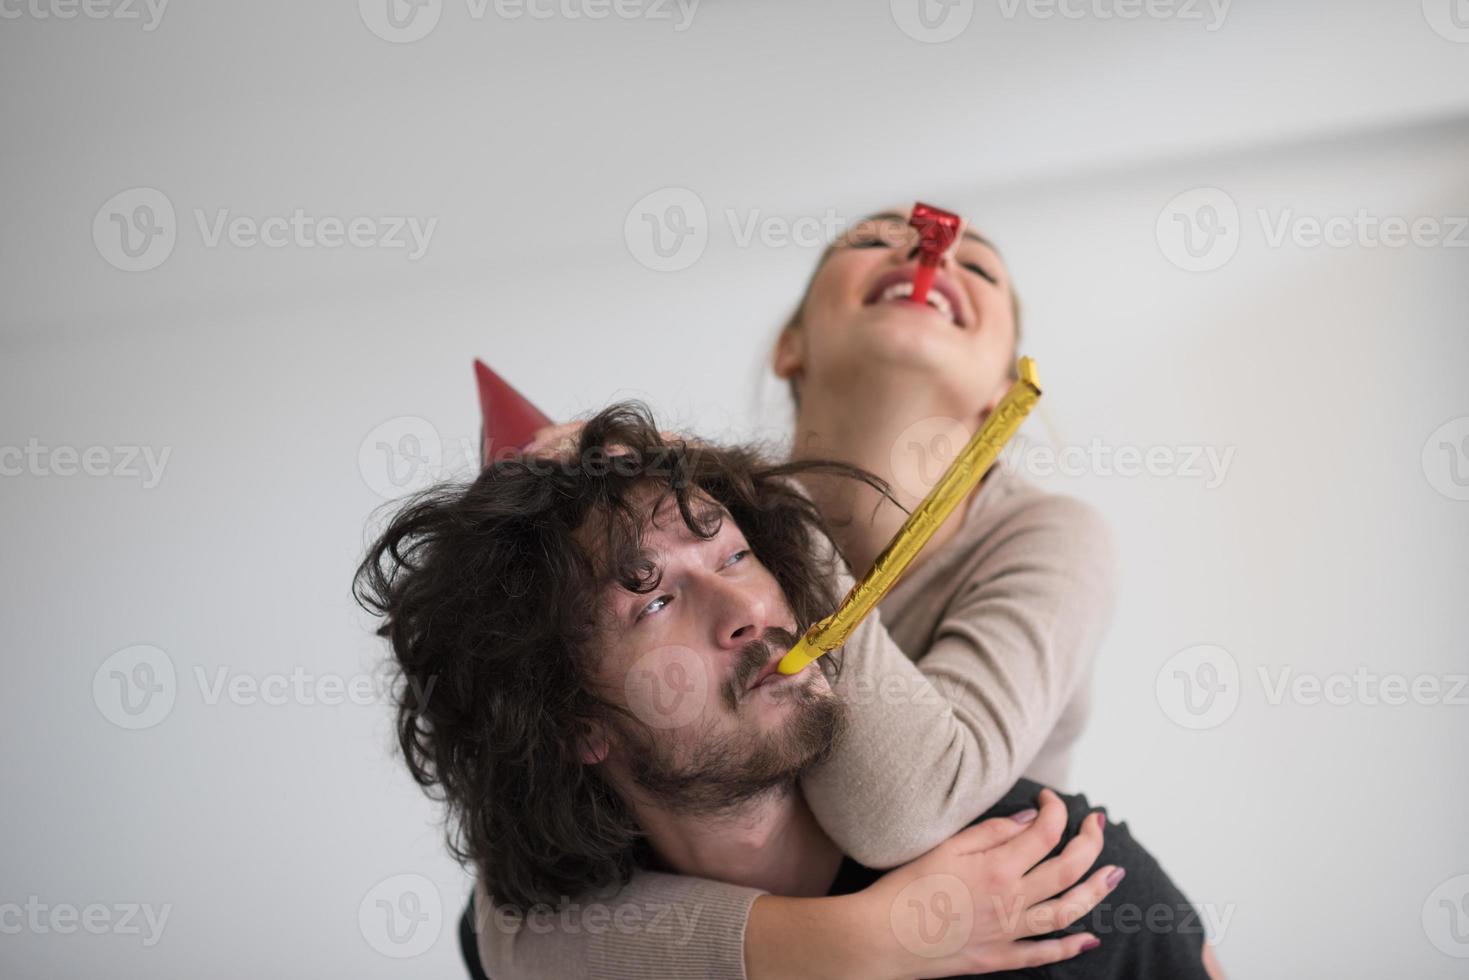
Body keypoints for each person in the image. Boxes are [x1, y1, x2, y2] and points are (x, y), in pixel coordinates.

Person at [355, 404, 1218, 978]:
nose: (743, 611)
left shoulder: (1056, 885)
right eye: (652, 598)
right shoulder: (534, 935)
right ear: (574, 722)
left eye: (734, 555)